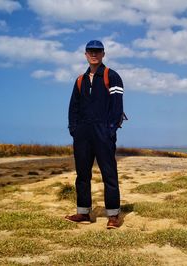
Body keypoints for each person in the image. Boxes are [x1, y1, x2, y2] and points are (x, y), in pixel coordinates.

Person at [65, 40, 124, 229]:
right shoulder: (80, 80)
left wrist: (110, 130)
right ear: (85, 54)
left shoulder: (111, 76)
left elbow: (117, 106)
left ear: (103, 54)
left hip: (103, 132)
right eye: (90, 51)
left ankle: (113, 215)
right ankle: (83, 213)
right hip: (82, 133)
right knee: (82, 174)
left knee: (109, 174)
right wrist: (74, 130)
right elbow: (73, 107)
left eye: (97, 51)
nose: (94, 54)